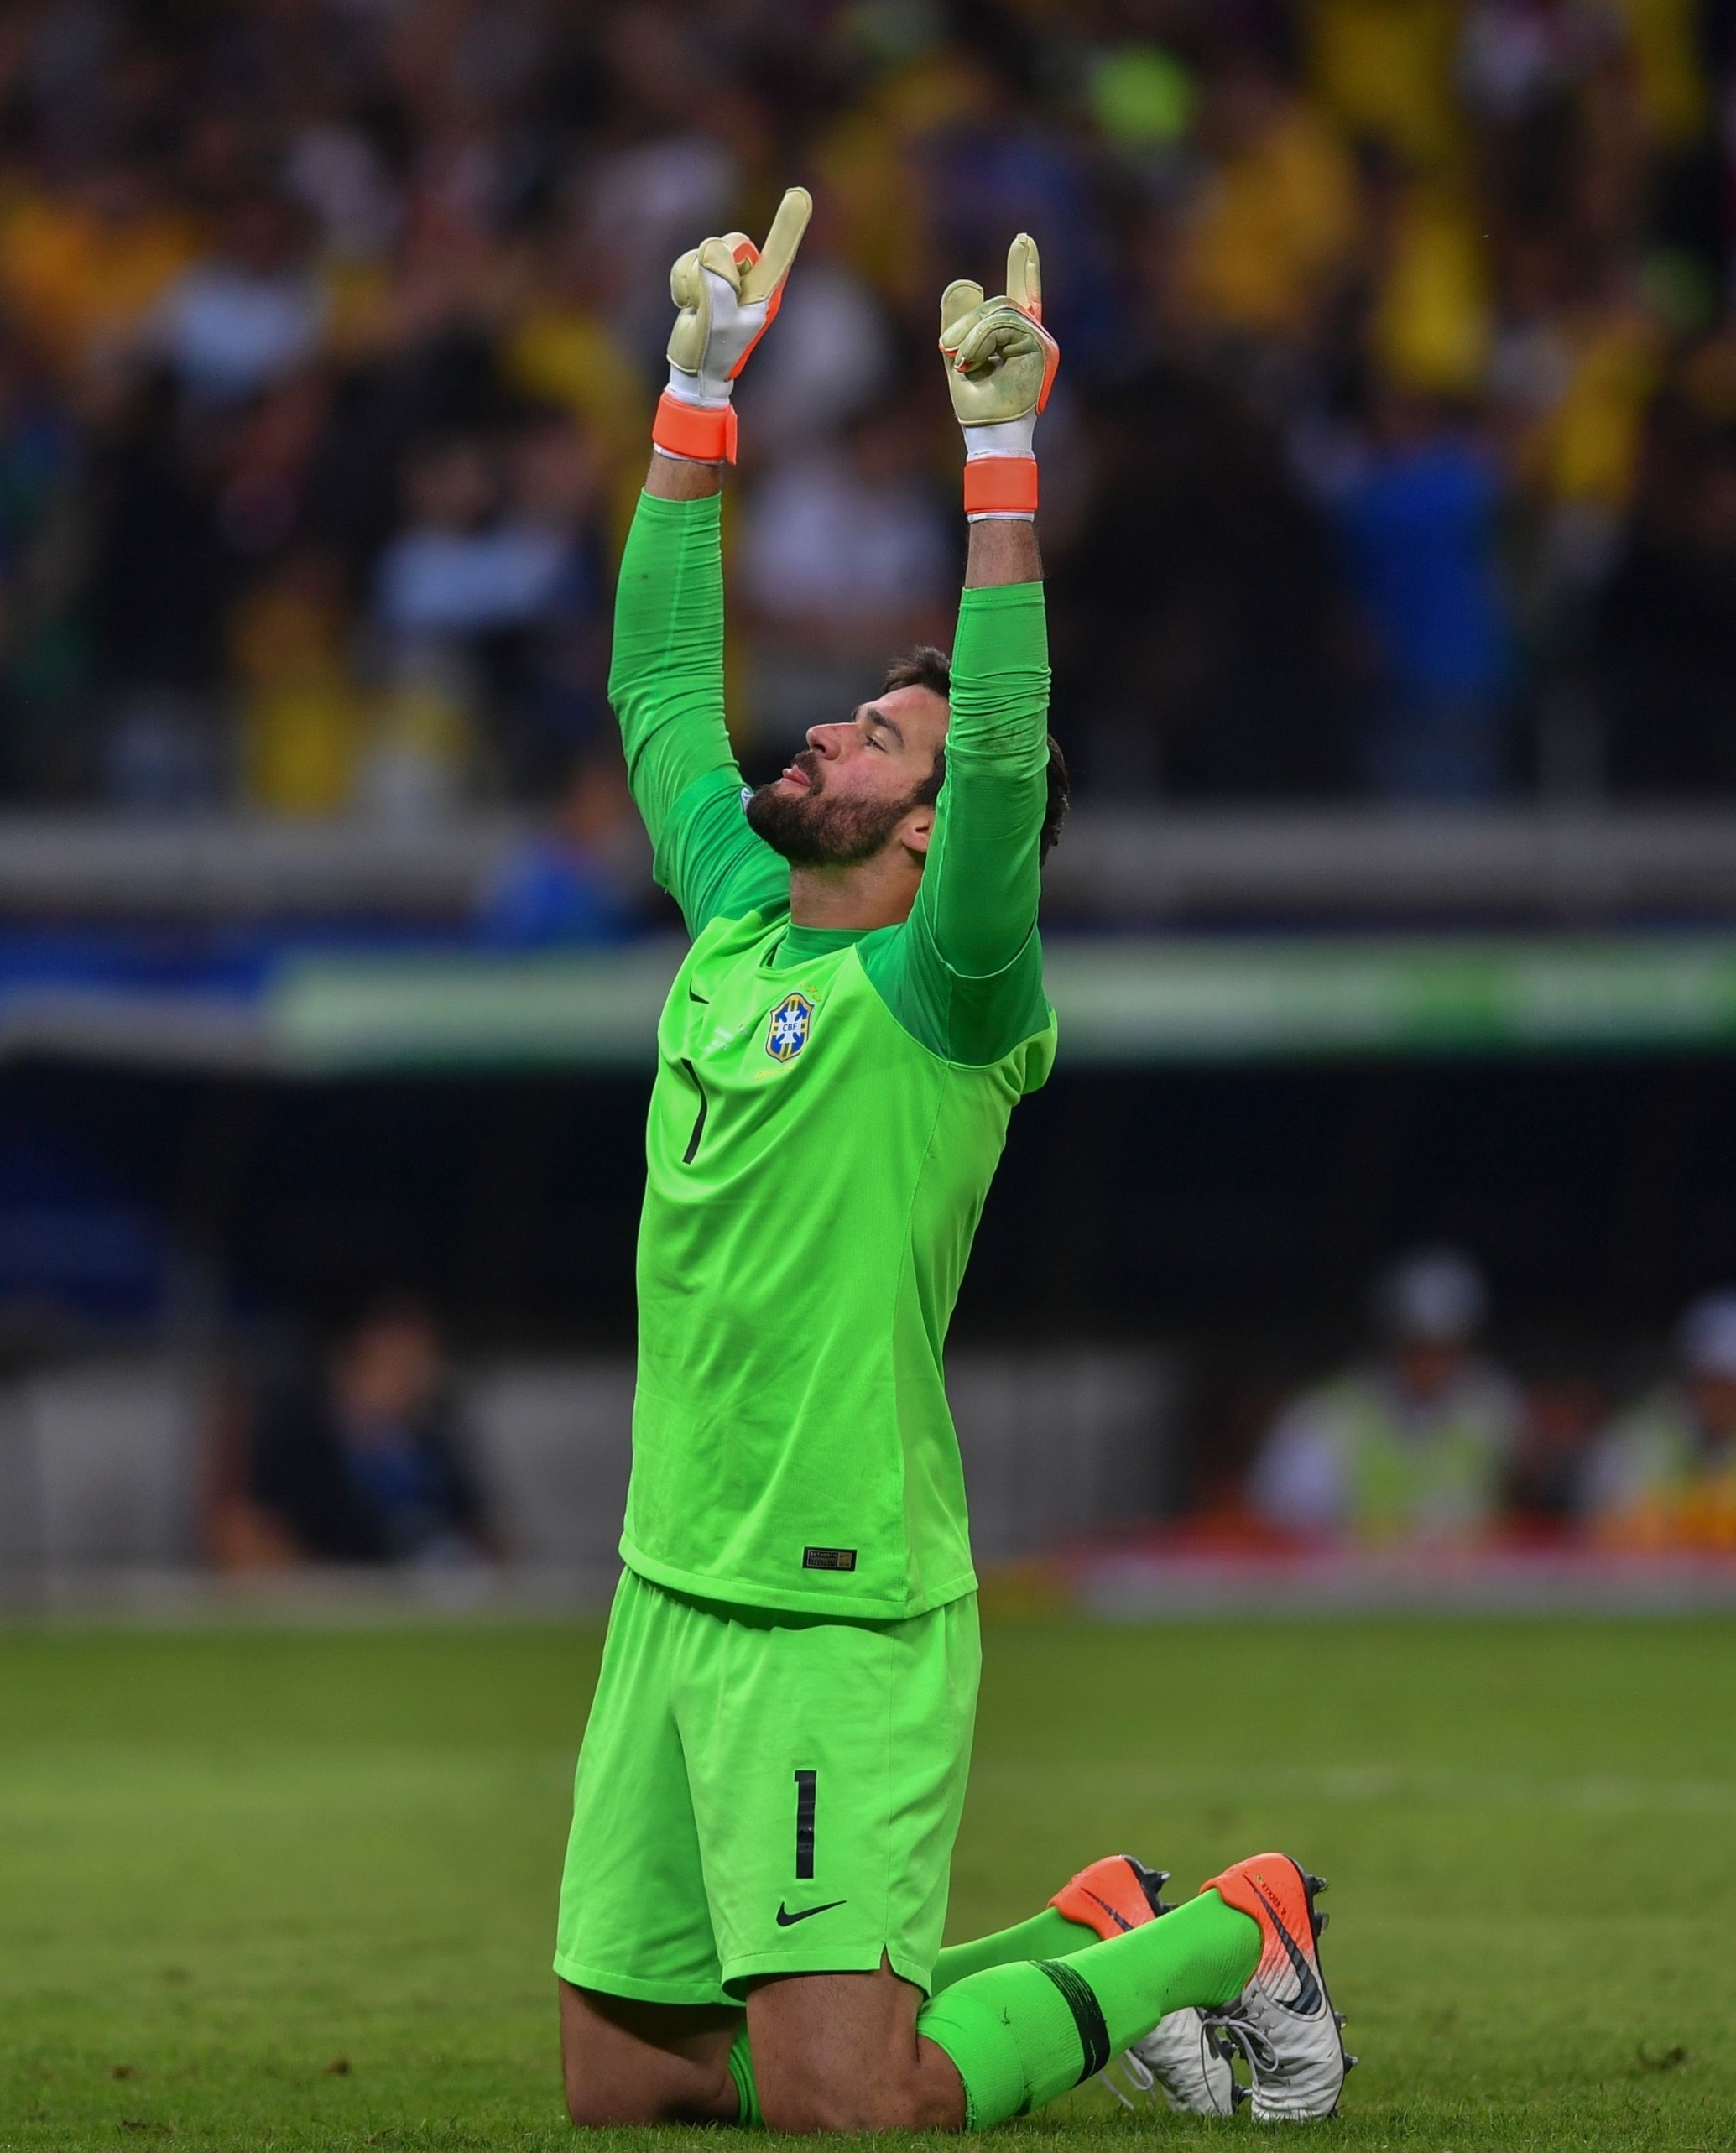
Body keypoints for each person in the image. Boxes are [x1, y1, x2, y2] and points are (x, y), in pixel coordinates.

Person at [554, 191, 1351, 2134]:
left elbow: (1001, 757)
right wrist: (690, 394)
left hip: (838, 1601)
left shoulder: (949, 993)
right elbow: (654, 689)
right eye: (847, 714)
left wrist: (997, 455)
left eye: (870, 741)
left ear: (920, 840)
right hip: (674, 1578)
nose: (822, 731)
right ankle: (1089, 1922)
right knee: (625, 2084)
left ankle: (1224, 1936)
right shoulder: (742, 911)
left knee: (855, 2109)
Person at [1249, 1247, 1525, 1547]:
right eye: (1418, 1346)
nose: (1432, 1363)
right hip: (1354, 1586)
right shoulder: (1327, 1417)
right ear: (1391, 1339)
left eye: (1447, 1348)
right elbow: (1283, 1530)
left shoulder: (1494, 1406)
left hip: (1468, 1588)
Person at [236, 1297, 487, 1567]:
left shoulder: (436, 1443)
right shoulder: (297, 1442)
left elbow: (481, 1534)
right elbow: (249, 1536)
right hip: (335, 1594)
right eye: (396, 1362)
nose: (412, 1379)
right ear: (351, 1364)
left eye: (420, 1363)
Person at [1583, 1290, 1736, 1552]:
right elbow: (1599, 1527)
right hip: (1649, 1586)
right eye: (1713, 1383)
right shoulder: (1633, 1436)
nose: (1724, 1399)